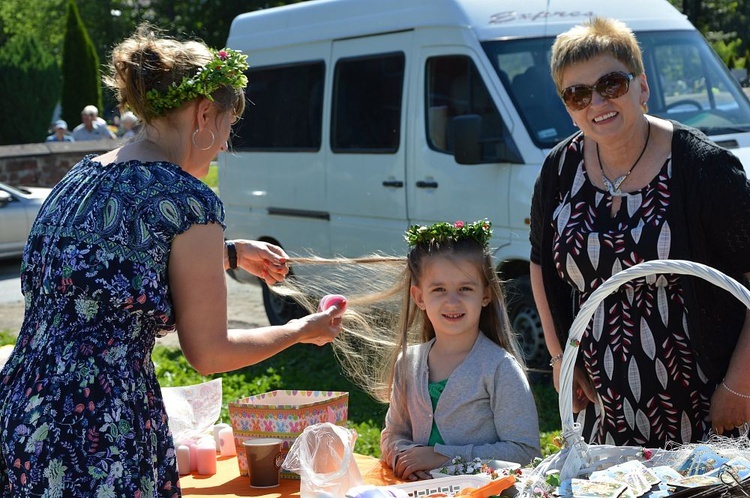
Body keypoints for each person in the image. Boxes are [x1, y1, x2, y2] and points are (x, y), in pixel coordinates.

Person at [0, 25, 343, 497]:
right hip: (101, 431)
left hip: (22, 413)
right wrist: (302, 330)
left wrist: (230, 255)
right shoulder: (187, 202)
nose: (225, 144)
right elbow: (209, 353)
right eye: (227, 126)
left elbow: (104, 274)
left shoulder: (80, 178)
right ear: (205, 114)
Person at [529, 17, 750, 448]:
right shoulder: (559, 169)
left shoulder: (704, 169)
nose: (597, 102)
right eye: (577, 94)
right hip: (604, 409)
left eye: (611, 84)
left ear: (642, 87)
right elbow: (541, 263)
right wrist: (561, 358)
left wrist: (741, 387)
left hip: (709, 408)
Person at [294, 220, 540, 481]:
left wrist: (444, 458)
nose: (452, 301)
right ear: (419, 297)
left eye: (465, 288)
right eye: (439, 289)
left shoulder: (500, 367)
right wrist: (401, 455)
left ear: (485, 295)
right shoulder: (408, 362)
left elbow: (525, 452)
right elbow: (393, 434)